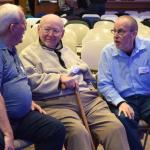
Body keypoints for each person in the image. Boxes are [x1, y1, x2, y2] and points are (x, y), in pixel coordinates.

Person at [19, 14, 130, 150]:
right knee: (78, 133)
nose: (50, 34)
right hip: (56, 103)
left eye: (56, 31)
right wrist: (58, 79)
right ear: (38, 29)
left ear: (62, 33)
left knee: (115, 128)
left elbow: (88, 74)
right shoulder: (27, 54)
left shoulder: (68, 50)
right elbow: (29, 81)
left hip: (88, 100)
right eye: (46, 29)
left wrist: (84, 77)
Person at [0, 3, 65, 150]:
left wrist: (28, 101)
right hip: (3, 120)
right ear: (13, 27)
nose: (26, 27)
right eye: (24, 22)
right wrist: (7, 132)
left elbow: (18, 80)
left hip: (21, 116)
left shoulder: (11, 47)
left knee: (55, 130)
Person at [98, 15, 150, 150]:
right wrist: (120, 102)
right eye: (114, 31)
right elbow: (104, 84)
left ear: (134, 34)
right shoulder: (107, 52)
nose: (115, 35)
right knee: (123, 120)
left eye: (120, 31)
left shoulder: (148, 48)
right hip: (123, 98)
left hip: (147, 97)